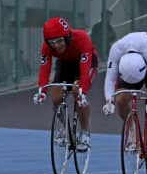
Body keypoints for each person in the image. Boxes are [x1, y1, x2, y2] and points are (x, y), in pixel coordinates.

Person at [33, 16, 98, 152]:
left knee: (77, 92)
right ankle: (64, 128)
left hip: (85, 62)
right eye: (52, 43)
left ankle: (85, 132)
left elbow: (85, 69)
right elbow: (45, 68)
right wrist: (42, 92)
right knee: (56, 97)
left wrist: (83, 91)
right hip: (65, 63)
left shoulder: (82, 39)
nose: (56, 45)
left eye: (59, 41)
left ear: (67, 37)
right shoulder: (46, 47)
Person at [102, 32, 147, 162]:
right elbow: (110, 79)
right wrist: (109, 101)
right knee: (120, 99)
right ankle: (133, 131)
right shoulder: (116, 49)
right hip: (129, 69)